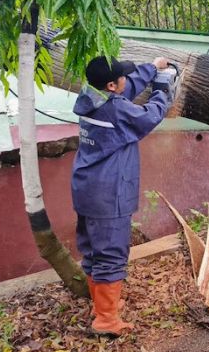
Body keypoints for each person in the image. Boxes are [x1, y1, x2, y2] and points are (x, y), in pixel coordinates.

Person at [71, 55, 177, 336]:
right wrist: (162, 88)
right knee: (111, 255)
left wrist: (153, 67)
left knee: (92, 251)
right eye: (120, 78)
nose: (124, 82)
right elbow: (150, 115)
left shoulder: (91, 96)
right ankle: (106, 321)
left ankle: (101, 306)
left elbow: (126, 88)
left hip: (86, 189)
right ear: (111, 86)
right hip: (109, 194)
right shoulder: (117, 111)